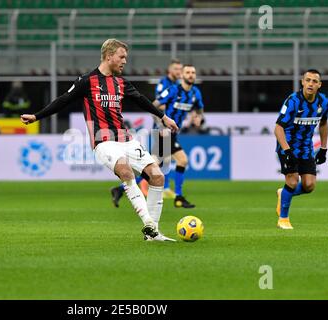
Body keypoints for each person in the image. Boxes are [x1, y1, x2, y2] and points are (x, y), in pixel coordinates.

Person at [21, 39, 179, 241]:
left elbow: (141, 100)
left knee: (157, 176)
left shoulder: (121, 83)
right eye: (121, 57)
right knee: (125, 170)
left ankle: (152, 234)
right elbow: (63, 100)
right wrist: (36, 116)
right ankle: (149, 224)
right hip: (103, 141)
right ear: (109, 55)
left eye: (125, 58)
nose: (124, 61)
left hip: (126, 139)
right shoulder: (87, 81)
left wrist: (164, 117)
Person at [110, 59, 183, 206]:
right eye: (176, 69)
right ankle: (121, 189)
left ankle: (165, 188)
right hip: (163, 130)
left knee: (161, 162)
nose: (179, 72)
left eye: (180, 69)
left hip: (169, 129)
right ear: (170, 70)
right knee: (161, 163)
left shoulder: (175, 86)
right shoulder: (165, 84)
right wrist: (161, 126)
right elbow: (155, 107)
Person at [275, 69, 328, 229]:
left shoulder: (324, 102)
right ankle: (283, 219)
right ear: (302, 82)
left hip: (306, 148)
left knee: (309, 186)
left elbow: (324, 123)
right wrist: (286, 151)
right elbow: (278, 128)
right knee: (292, 180)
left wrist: (324, 148)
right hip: (287, 146)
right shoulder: (293, 101)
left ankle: (282, 193)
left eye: (314, 81)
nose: (310, 84)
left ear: (319, 85)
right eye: (308, 80)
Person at [152, 64, 204, 208]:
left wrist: (198, 117)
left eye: (193, 72)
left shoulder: (195, 92)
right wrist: (161, 126)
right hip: (163, 133)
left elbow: (199, 108)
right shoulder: (173, 90)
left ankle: (120, 189)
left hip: (173, 133)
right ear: (182, 75)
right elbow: (153, 106)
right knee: (181, 160)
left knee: (155, 164)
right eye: (188, 72)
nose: (191, 75)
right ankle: (179, 198)